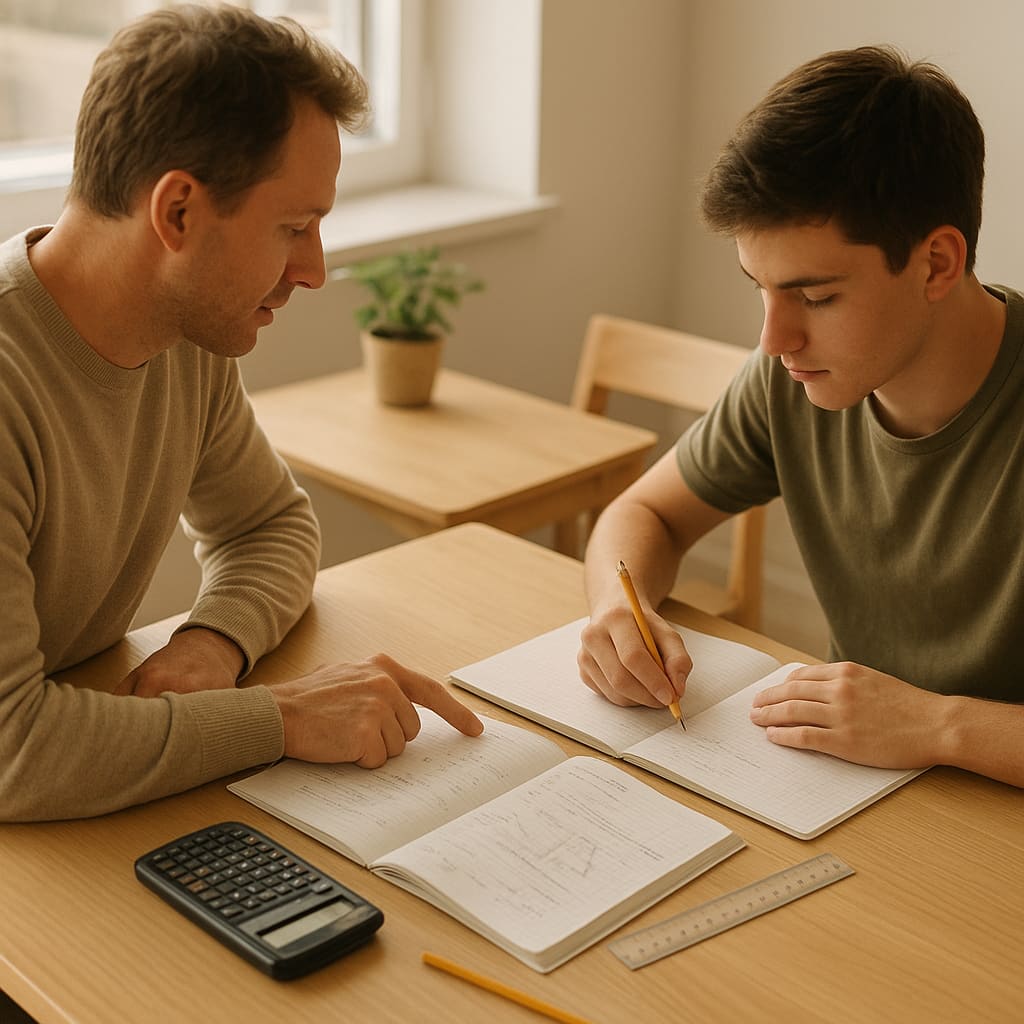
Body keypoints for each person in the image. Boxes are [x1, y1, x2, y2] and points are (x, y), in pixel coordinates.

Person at [0, 3, 482, 822]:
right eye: (295, 226)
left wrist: (210, 642)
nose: (316, 269)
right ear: (178, 211)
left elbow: (269, 527)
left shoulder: (181, 334)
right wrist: (284, 718)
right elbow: (14, 752)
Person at [578, 45, 1023, 788]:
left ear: (938, 264)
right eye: (760, 287)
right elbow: (645, 513)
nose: (773, 340)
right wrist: (618, 612)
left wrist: (937, 723)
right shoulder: (792, 378)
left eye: (815, 298)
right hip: (860, 789)